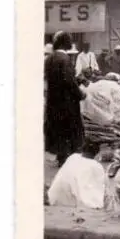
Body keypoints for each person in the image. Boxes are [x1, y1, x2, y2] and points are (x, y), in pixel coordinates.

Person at [45, 31, 87, 167]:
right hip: (67, 103)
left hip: (53, 102)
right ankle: (69, 159)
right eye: (69, 40)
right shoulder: (65, 59)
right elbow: (69, 82)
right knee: (70, 130)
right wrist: (81, 94)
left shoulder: (49, 59)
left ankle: (61, 156)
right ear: (64, 42)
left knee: (58, 130)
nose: (71, 43)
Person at [47, 138, 109, 209]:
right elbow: (98, 185)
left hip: (55, 198)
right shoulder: (95, 165)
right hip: (72, 202)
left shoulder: (73, 157)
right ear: (97, 153)